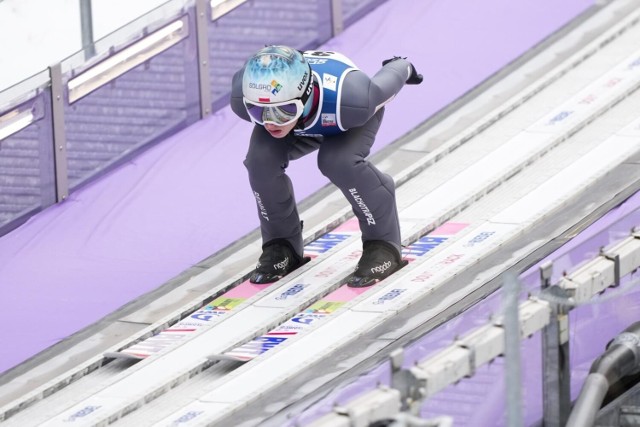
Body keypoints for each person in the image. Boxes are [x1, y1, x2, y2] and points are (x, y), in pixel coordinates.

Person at [230, 45, 422, 288]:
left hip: (343, 118)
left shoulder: (355, 99)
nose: (270, 122)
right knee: (260, 162)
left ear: (305, 95)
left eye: (284, 110)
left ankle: (382, 244)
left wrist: (402, 65)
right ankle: (281, 244)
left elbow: (389, 80)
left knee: (337, 161)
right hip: (304, 121)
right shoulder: (243, 95)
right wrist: (279, 111)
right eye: (258, 111)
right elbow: (269, 104)